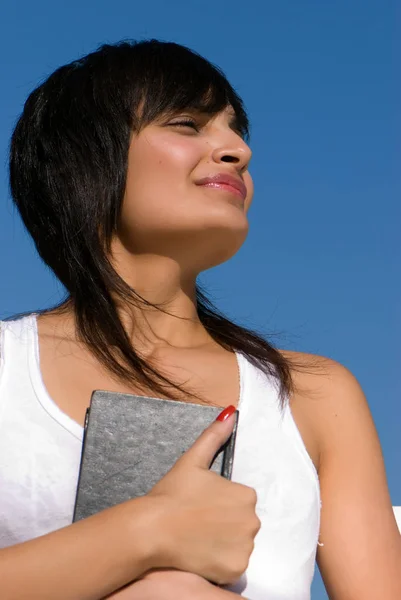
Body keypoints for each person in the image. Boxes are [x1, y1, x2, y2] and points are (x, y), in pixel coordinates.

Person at [0, 39, 400, 600]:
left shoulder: (314, 393)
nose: (237, 149)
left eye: (237, 130)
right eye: (188, 124)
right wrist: (146, 533)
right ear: (84, 159)